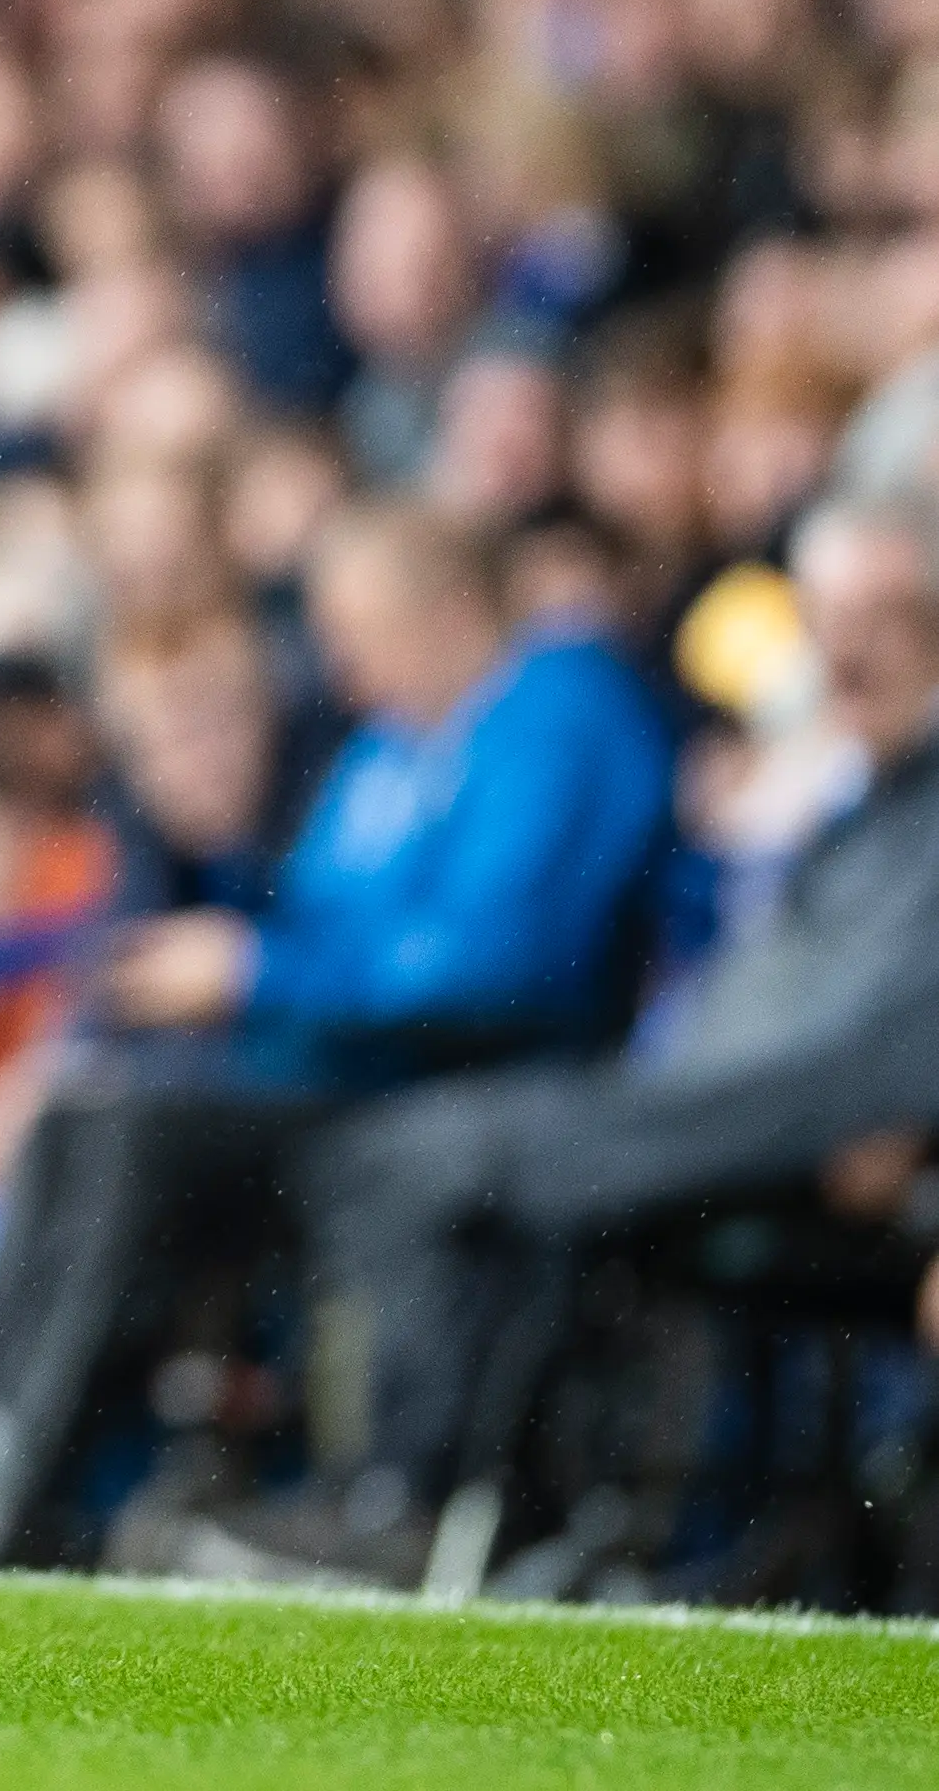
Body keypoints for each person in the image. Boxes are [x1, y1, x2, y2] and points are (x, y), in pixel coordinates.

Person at [0, 500, 674, 1569]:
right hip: (349, 1067)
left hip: (461, 1081)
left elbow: (499, 964)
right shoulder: (400, 746)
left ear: (439, 610)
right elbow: (326, 918)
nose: (344, 675)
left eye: (358, 638)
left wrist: (252, 972)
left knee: (132, 1124)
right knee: (84, 1105)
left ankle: (16, 1480)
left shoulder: (551, 714)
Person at [194, 492, 939, 1586]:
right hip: (718, 1095)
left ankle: (415, 1511)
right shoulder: (840, 795)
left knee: (428, 1158)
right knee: (412, 1155)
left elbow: (863, 1039)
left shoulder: (583, 719)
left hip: (806, 1118)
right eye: (828, 621)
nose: (850, 653)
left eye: (892, 617)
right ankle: (457, 1513)